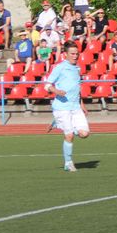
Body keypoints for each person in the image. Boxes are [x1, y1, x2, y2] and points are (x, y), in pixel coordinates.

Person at [45, 40, 90, 172]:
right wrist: (57, 91)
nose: (75, 56)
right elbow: (47, 84)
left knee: (84, 134)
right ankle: (68, 162)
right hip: (62, 108)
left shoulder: (77, 68)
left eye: (77, 53)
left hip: (75, 107)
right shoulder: (60, 67)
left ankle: (58, 123)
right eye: (72, 53)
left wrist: (82, 104)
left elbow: (77, 88)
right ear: (65, 54)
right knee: (69, 135)